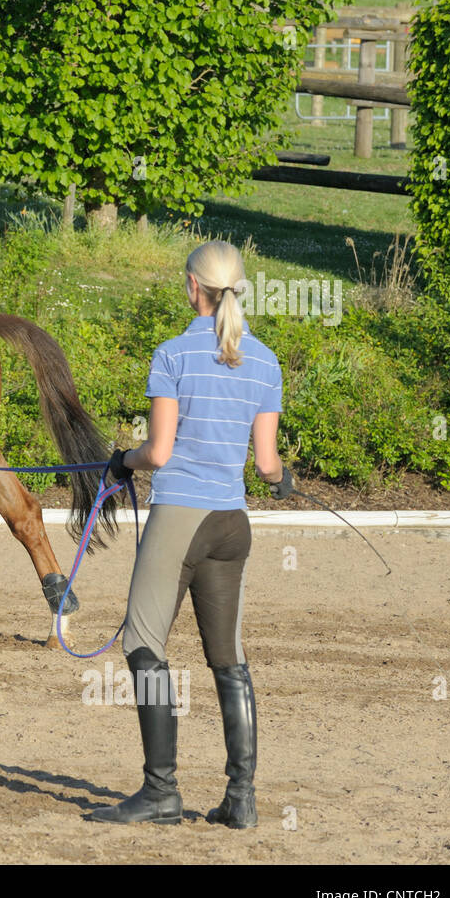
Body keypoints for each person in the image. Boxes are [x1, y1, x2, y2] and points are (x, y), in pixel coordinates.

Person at [90, 239, 294, 828]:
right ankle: (242, 798)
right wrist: (283, 481)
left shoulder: (173, 355)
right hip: (232, 524)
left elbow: (159, 451)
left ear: (192, 287)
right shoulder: (264, 360)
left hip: (180, 516)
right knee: (228, 659)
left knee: (143, 647)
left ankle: (160, 791)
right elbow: (265, 464)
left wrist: (121, 460)